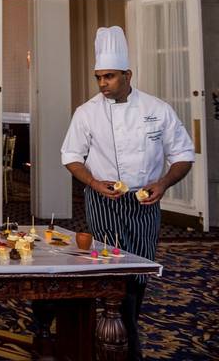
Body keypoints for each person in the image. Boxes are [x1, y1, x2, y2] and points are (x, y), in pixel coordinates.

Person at [60, 26, 194, 360]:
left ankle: (120, 331)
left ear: (127, 74)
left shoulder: (156, 109)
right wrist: (93, 183)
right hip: (103, 201)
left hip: (145, 202)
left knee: (139, 270)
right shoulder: (86, 112)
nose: (103, 83)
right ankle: (123, 341)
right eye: (99, 77)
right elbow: (71, 156)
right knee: (109, 269)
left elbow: (183, 155)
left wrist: (162, 184)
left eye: (109, 76)